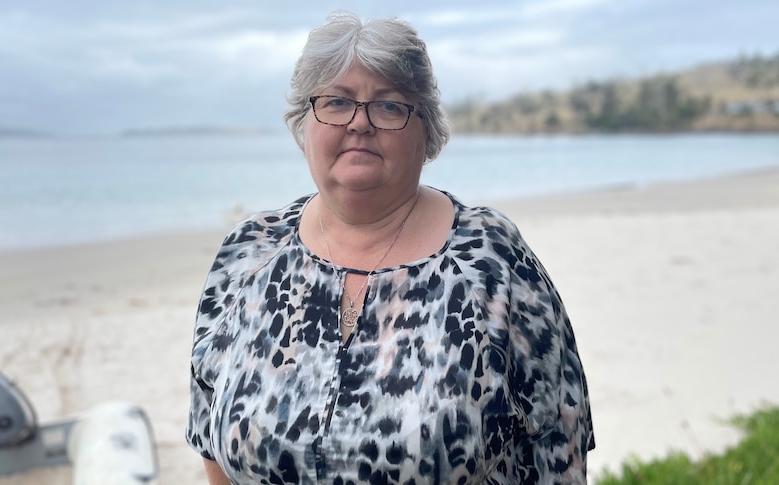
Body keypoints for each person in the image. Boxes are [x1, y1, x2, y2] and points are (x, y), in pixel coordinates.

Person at [186, 10, 594, 484]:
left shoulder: (491, 262)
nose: (359, 123)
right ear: (304, 125)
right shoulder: (249, 252)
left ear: (427, 133)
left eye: (389, 105)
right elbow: (208, 436)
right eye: (336, 102)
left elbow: (558, 451)